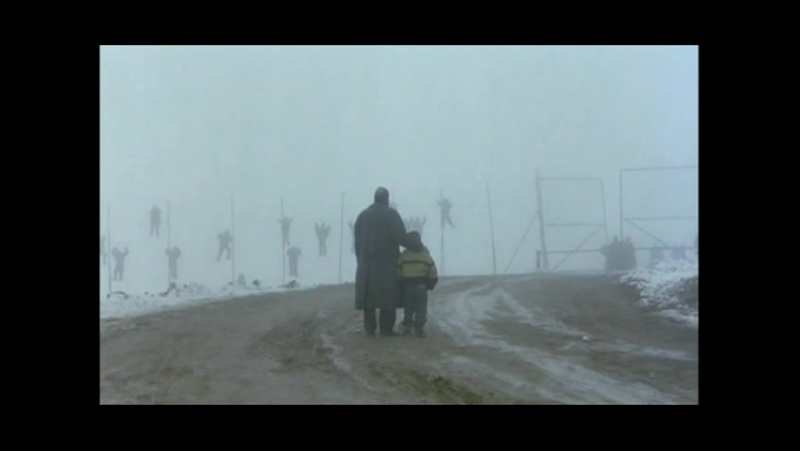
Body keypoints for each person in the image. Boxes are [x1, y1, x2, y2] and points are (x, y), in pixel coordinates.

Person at [354, 187, 423, 337]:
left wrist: (360, 260)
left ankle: (369, 329)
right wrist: (417, 246)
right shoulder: (390, 215)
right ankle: (386, 329)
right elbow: (401, 237)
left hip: (366, 264)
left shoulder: (362, 216)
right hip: (386, 264)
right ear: (386, 199)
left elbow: (357, 242)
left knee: (369, 300)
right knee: (388, 297)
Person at [397, 231, 438, 337]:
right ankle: (419, 328)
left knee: (408, 306)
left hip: (407, 286)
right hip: (421, 286)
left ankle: (407, 327)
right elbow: (432, 269)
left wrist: (399, 281)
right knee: (421, 307)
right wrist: (431, 282)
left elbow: (398, 270)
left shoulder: (404, 255)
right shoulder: (425, 255)